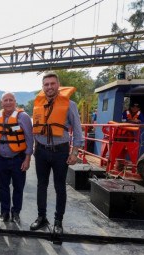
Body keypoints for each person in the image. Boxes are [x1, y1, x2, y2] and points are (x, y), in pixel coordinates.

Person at [31, 72, 84, 235]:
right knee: (41, 185)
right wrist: (34, 147)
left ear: (58, 85)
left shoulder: (69, 104)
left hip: (60, 151)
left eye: (52, 84)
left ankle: (58, 221)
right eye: (46, 84)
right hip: (41, 151)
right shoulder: (38, 104)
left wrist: (74, 153)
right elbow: (36, 130)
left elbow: (77, 130)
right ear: (43, 87)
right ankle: (41, 217)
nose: (49, 87)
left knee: (60, 187)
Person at [0, 92, 33, 222]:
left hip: (18, 159)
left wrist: (27, 159)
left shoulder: (24, 117)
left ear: (15, 102)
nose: (8, 102)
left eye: (11, 100)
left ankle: (16, 212)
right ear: (1, 102)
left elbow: (29, 139)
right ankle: (5, 212)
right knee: (3, 187)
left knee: (18, 187)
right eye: (5, 100)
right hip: (1, 159)